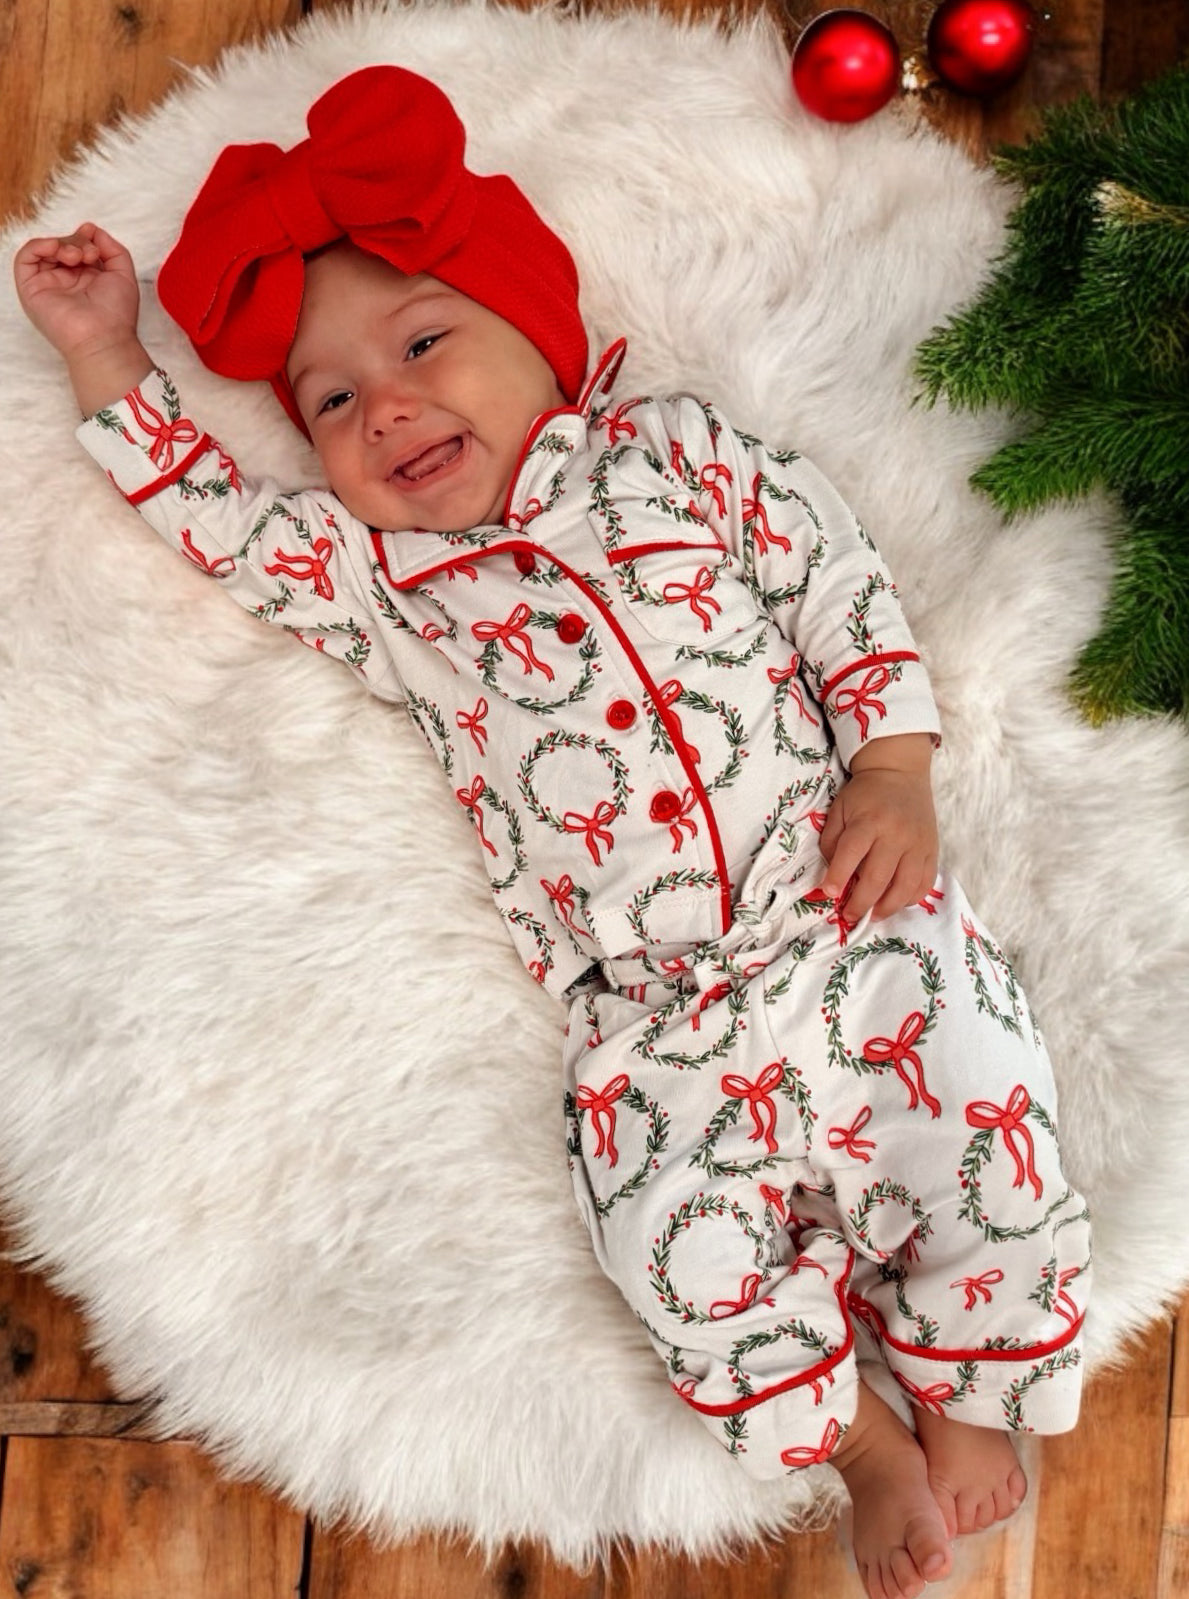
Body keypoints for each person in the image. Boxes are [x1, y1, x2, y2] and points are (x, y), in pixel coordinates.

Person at [13, 63, 1090, 1599]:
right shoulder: (388, 585)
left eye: (422, 344)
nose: (385, 405)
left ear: (537, 330)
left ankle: (973, 1386)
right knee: (672, 1242)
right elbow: (218, 522)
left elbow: (834, 580)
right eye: (329, 402)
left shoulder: (673, 458)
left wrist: (895, 768)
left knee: (984, 1124)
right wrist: (103, 351)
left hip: (847, 910)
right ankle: (851, 1438)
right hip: (651, 1015)